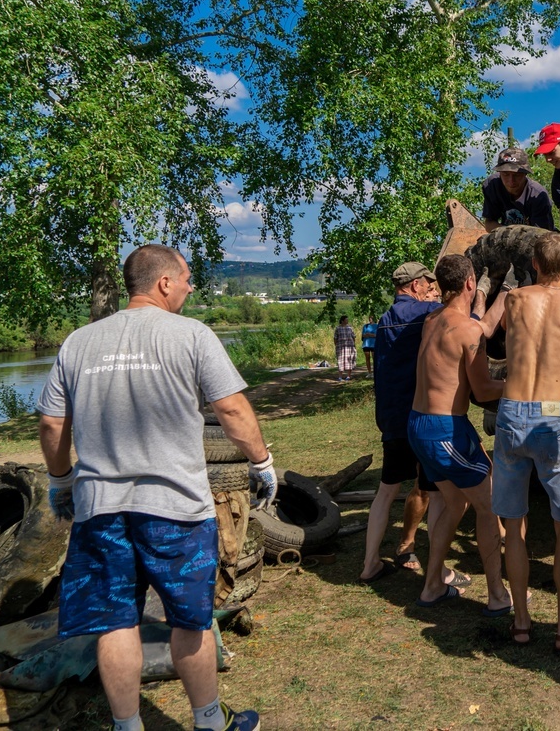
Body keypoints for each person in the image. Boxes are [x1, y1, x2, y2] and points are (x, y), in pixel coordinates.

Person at [37, 244, 275, 731]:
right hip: (177, 511)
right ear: (164, 282)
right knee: (190, 620)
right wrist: (262, 461)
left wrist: (61, 480)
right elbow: (230, 410)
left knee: (114, 621)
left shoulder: (78, 343)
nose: (190, 286)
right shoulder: (192, 335)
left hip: (101, 509)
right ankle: (210, 721)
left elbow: (50, 423)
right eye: (186, 277)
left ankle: (127, 726)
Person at [361, 261, 515, 583]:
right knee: (467, 499)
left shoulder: (407, 318)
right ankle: (490, 588)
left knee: (417, 495)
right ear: (416, 286)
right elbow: (478, 334)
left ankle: (402, 571)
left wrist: (481, 293)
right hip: (438, 423)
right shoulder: (436, 317)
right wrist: (497, 293)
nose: (430, 290)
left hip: (401, 417)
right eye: (426, 284)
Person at [492, 232, 560, 652]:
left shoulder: (515, 301)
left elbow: (502, 335)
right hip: (553, 414)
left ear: (534, 263)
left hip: (513, 410)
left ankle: (520, 620)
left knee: (513, 525)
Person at [408, 255, 513, 615]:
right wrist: (517, 383)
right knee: (489, 505)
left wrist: (502, 294)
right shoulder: (467, 331)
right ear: (470, 282)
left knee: (455, 503)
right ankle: (498, 594)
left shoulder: (431, 319)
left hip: (419, 423)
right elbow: (483, 391)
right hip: (445, 430)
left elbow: (475, 329)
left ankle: (432, 585)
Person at [481, 147, 555, 231]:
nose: (511, 181)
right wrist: (508, 234)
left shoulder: (538, 195)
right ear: (499, 173)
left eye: (517, 175)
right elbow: (489, 223)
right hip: (505, 236)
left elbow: (543, 236)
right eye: (505, 174)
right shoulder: (491, 186)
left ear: (525, 174)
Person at [334, 315, 356, 381]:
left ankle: (348, 376)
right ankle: (340, 376)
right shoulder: (338, 328)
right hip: (340, 347)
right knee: (340, 361)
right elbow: (335, 338)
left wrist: (353, 345)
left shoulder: (350, 328)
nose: (347, 321)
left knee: (349, 360)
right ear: (342, 321)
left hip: (349, 347)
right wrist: (336, 345)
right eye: (346, 320)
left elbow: (353, 337)